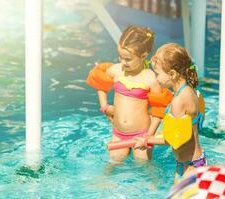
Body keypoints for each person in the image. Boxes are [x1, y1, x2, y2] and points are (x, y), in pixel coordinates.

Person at [86, 26, 172, 161]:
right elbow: (99, 82)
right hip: (119, 133)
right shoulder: (117, 71)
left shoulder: (150, 78)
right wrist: (105, 107)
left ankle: (152, 183)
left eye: (127, 59)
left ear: (143, 56)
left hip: (141, 133)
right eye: (120, 57)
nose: (123, 62)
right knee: (112, 164)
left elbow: (158, 110)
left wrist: (148, 136)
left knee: (144, 166)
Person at [134, 43, 206, 181]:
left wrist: (147, 140)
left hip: (188, 167)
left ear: (172, 74)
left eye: (157, 74)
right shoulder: (191, 91)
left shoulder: (178, 101)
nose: (155, 78)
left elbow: (175, 140)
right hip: (196, 161)